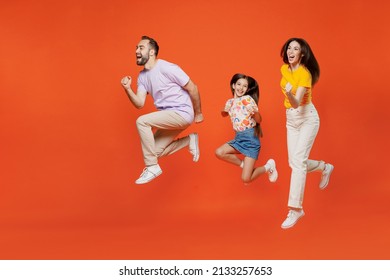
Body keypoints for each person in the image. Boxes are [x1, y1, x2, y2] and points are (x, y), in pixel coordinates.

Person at [121, 35, 204, 184]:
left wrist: (198, 113)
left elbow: (193, 88)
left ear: (151, 52)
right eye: (136, 48)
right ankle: (189, 140)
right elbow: (139, 103)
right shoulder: (142, 76)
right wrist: (127, 89)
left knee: (142, 121)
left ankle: (152, 166)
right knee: (155, 151)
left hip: (181, 112)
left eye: (141, 47)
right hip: (167, 116)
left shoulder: (167, 67)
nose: (136, 51)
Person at [279, 38, 334, 229]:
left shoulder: (305, 74)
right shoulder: (284, 69)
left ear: (302, 54)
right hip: (291, 120)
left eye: (296, 49)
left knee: (298, 162)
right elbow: (291, 107)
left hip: (307, 118)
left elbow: (296, 102)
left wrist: (288, 94)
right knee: (294, 162)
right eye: (289, 48)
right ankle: (323, 167)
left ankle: (295, 209)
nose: (291, 51)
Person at [215, 73, 278, 185]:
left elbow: (259, 120)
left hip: (250, 139)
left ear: (247, 89)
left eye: (245, 86)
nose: (241, 88)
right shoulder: (230, 102)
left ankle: (268, 167)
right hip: (238, 138)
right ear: (233, 85)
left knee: (246, 179)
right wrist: (225, 109)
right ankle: (244, 166)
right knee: (219, 152)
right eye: (239, 84)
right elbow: (224, 114)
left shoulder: (247, 99)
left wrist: (254, 112)